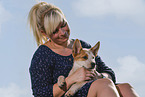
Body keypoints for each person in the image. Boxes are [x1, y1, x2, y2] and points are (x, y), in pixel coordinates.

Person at [28, 2, 139, 97]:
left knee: (125, 88)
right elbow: (40, 93)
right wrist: (71, 79)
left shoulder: (82, 45)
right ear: (44, 33)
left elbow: (109, 73)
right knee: (104, 85)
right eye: (55, 31)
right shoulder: (42, 55)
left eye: (63, 25)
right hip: (69, 94)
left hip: (92, 87)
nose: (62, 32)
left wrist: (100, 76)